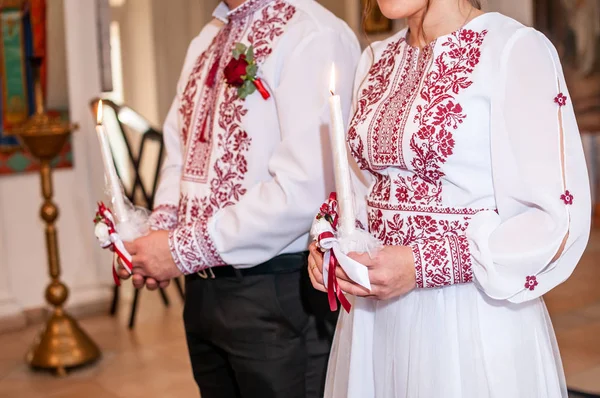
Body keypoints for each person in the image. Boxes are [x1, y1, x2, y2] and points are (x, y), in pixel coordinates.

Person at [307, 0, 591, 397]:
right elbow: (357, 192)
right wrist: (332, 242)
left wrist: (423, 264)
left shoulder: (513, 50)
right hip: (378, 323)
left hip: (469, 319)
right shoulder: (374, 58)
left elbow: (555, 219)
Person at [117, 0, 360, 397]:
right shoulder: (207, 38)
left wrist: (178, 250)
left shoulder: (312, 34)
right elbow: (178, 152)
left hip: (276, 294)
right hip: (203, 291)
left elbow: (305, 190)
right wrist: (157, 237)